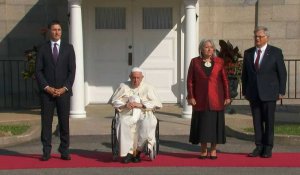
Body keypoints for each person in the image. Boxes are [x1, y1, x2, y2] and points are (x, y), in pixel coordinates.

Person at [242, 26, 287, 158]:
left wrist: (281, 91)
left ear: (267, 38)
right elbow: (245, 74)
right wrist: (245, 90)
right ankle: (258, 146)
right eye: (255, 36)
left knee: (268, 121)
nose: (257, 39)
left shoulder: (275, 52)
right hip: (254, 93)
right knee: (257, 121)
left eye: (260, 36)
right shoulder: (248, 53)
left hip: (270, 93)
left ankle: (268, 148)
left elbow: (282, 73)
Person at [35, 20, 76, 161]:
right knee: (46, 122)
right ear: (49, 31)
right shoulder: (43, 49)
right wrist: (47, 87)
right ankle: (46, 150)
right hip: (47, 93)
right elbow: (38, 71)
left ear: (61, 31)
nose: (57, 32)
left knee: (64, 122)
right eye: (54, 29)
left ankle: (64, 150)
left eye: (59, 29)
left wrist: (64, 88)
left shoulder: (69, 48)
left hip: (63, 93)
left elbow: (72, 72)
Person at [187, 39, 231, 160]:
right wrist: (191, 96)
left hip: (216, 99)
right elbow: (190, 81)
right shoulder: (195, 62)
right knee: (202, 125)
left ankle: (213, 150)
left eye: (211, 47)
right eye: (206, 47)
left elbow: (225, 80)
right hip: (200, 99)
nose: (209, 49)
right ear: (201, 49)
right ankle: (203, 149)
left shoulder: (219, 61)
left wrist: (227, 96)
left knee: (214, 126)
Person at [110, 67, 162, 163]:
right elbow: (114, 101)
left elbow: (157, 103)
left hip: (144, 114)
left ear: (142, 77)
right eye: (133, 78)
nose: (136, 80)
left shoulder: (148, 87)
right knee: (122, 123)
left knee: (148, 124)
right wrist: (125, 104)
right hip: (127, 114)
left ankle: (138, 151)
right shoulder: (123, 86)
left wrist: (141, 105)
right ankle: (129, 152)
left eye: (138, 78)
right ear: (130, 77)